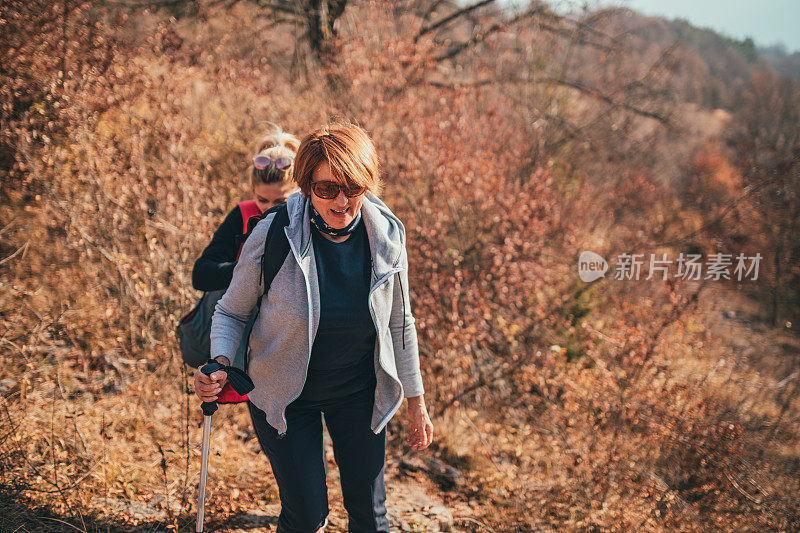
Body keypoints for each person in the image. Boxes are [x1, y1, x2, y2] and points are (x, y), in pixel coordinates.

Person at [194, 122, 434, 533]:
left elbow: (400, 322)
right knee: (306, 519)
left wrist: (416, 400)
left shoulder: (388, 235)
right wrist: (219, 361)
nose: (341, 201)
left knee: (371, 520)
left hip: (359, 392)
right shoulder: (273, 233)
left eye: (353, 186)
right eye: (326, 190)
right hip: (286, 395)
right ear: (306, 187)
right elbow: (231, 312)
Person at [192, 124, 300, 293]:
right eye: (262, 200)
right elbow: (201, 275)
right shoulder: (244, 214)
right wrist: (249, 270)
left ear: (299, 193)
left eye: (280, 202)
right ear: (253, 191)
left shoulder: (308, 217)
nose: (270, 209)